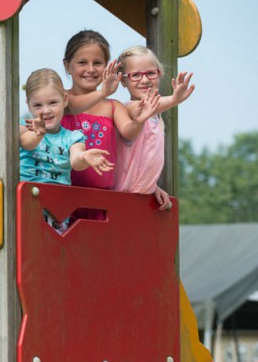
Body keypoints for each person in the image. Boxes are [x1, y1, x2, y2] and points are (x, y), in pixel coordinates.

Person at [61, 30, 160, 192]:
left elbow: (129, 133)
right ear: (67, 66)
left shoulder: (113, 106)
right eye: (82, 62)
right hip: (62, 193)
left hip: (104, 196)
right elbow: (71, 106)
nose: (91, 69)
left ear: (107, 66)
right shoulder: (60, 99)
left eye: (98, 63)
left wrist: (139, 120)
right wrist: (101, 93)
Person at [20, 69, 114, 231]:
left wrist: (85, 157)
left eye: (52, 103)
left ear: (64, 100)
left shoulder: (73, 137)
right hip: (27, 202)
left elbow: (75, 161)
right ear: (28, 105)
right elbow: (27, 143)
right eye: (38, 105)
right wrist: (39, 134)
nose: (46, 110)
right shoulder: (25, 126)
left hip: (57, 208)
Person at [114, 45, 195, 209]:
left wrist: (153, 187)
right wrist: (174, 99)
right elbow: (146, 107)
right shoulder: (128, 108)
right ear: (123, 80)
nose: (144, 80)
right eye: (135, 75)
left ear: (159, 74)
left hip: (141, 195)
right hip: (123, 192)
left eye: (150, 73)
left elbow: (145, 159)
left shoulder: (157, 118)